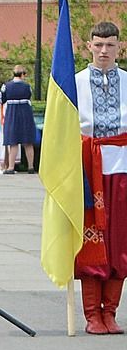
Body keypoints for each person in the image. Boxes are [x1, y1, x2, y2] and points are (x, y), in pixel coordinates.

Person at [74, 21, 127, 334]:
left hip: (122, 166)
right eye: (98, 45)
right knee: (92, 241)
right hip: (88, 168)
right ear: (89, 47)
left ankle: (111, 312)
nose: (104, 50)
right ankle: (92, 314)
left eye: (110, 45)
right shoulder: (76, 82)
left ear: (119, 47)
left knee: (120, 241)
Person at [0, 67, 37, 174]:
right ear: (22, 74)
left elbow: (1, 99)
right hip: (25, 112)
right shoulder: (27, 86)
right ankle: (31, 166)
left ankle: (11, 167)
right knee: (28, 141)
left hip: (12, 112)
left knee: (13, 141)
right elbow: (29, 96)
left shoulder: (6, 86)